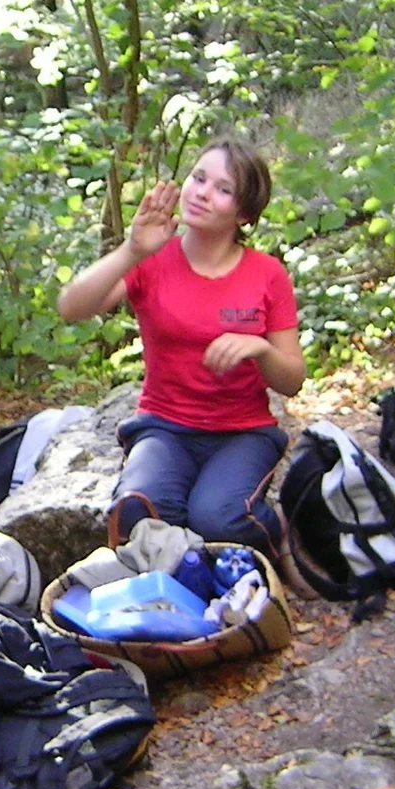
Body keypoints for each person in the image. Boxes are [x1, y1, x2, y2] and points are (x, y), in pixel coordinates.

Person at [56, 137, 306, 556]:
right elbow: (71, 308)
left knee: (217, 519)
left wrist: (259, 349)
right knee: (140, 512)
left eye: (223, 189)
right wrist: (133, 249)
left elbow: (292, 381)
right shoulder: (153, 259)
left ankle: (279, 536)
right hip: (164, 427)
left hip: (242, 432)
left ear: (244, 214)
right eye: (198, 178)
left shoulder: (267, 274)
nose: (202, 193)